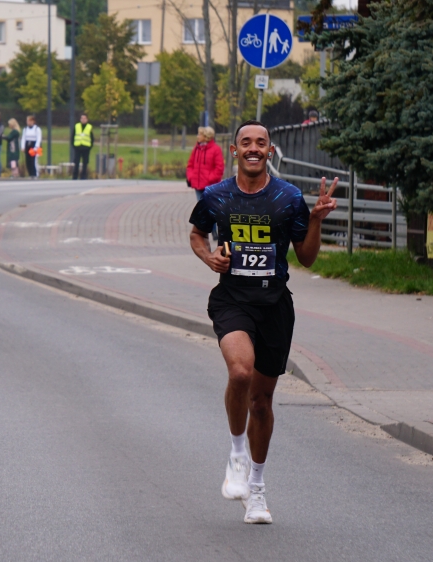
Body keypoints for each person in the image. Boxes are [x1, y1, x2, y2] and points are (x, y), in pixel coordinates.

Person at [188, 119, 338, 524]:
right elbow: (197, 234)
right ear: (234, 151)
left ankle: (257, 487)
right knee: (240, 374)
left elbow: (305, 258)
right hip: (232, 300)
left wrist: (317, 221)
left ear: (269, 151)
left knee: (263, 400)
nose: (254, 148)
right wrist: (210, 258)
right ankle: (237, 454)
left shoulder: (288, 198)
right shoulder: (217, 196)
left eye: (261, 143)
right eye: (246, 142)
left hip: (274, 305)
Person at [186, 126, 224, 239]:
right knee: (202, 208)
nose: (198, 136)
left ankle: (213, 231)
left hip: (209, 185)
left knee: (210, 208)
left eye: (200, 134)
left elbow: (219, 167)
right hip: (197, 184)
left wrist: (209, 178)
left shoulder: (216, 149)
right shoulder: (196, 149)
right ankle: (204, 231)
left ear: (206, 137)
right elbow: (190, 164)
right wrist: (190, 176)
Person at [72, 113, 94, 180]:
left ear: (87, 119)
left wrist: (90, 147)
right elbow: (73, 136)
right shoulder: (76, 126)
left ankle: (83, 176)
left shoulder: (89, 127)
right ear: (80, 119)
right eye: (82, 118)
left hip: (86, 148)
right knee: (76, 162)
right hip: (78, 147)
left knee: (85, 163)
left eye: (84, 118)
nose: (83, 120)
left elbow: (92, 138)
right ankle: (75, 176)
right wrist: (74, 145)